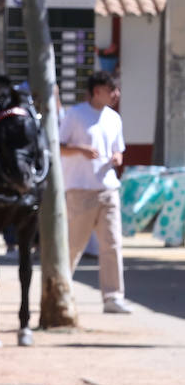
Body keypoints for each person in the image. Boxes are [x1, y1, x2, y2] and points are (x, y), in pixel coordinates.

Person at [60, 71, 130, 313]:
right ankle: (61, 293)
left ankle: (113, 297)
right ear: (97, 91)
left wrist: (117, 158)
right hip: (80, 190)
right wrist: (79, 149)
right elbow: (59, 147)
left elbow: (118, 149)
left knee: (112, 244)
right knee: (73, 246)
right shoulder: (75, 114)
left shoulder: (114, 118)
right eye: (112, 90)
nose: (116, 94)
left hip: (108, 189)